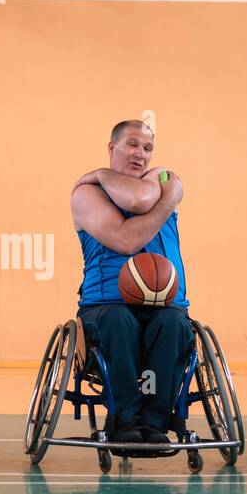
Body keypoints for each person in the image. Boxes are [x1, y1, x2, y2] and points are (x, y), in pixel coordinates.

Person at [70, 119, 189, 445]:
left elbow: (138, 199)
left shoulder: (163, 178)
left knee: (174, 324)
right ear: (112, 148)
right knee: (119, 321)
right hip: (105, 304)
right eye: (132, 145)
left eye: (148, 148)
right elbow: (124, 240)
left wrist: (159, 193)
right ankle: (123, 420)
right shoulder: (87, 193)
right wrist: (103, 176)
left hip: (164, 302)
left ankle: (155, 424)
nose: (141, 154)